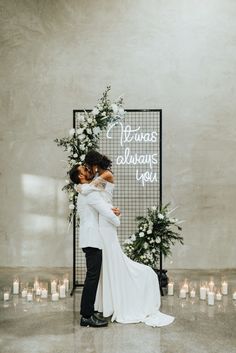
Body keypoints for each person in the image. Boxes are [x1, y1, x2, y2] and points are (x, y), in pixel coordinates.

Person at [79, 150, 175, 327]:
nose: (88, 170)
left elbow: (91, 189)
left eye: (88, 166)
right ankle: (106, 303)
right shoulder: (99, 176)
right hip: (102, 221)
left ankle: (119, 298)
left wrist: (79, 186)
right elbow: (95, 195)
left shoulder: (106, 174)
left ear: (94, 165)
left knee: (112, 261)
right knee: (104, 265)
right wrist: (110, 208)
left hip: (106, 224)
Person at [69, 164, 120, 327]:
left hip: (89, 239)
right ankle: (86, 316)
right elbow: (103, 210)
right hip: (92, 240)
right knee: (92, 278)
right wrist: (116, 218)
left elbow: (103, 204)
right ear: (81, 177)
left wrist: (113, 209)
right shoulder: (87, 192)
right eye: (84, 169)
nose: (88, 170)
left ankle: (89, 312)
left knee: (92, 277)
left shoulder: (85, 190)